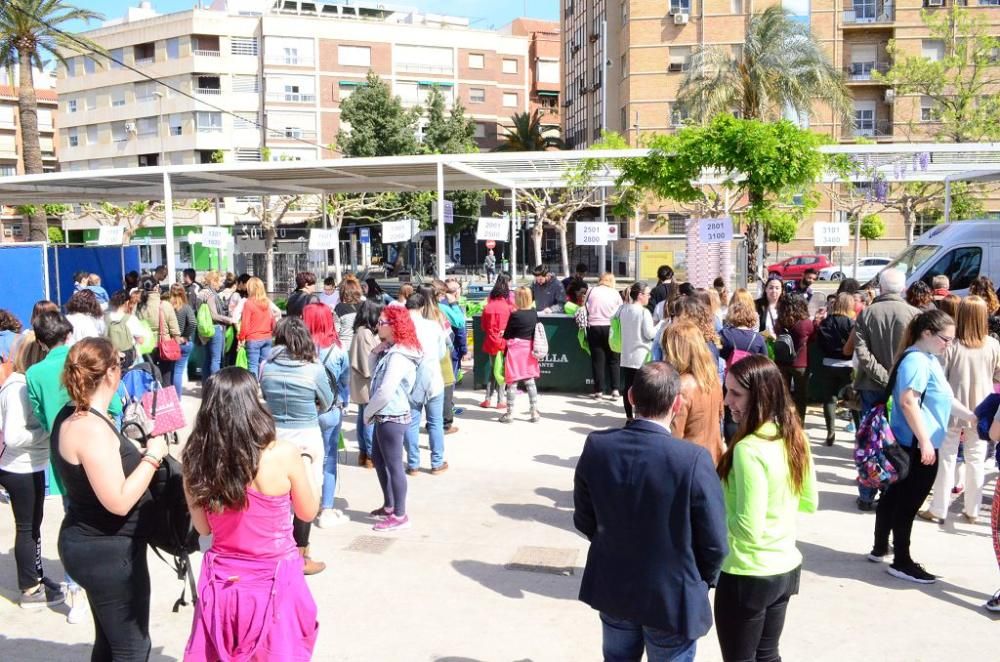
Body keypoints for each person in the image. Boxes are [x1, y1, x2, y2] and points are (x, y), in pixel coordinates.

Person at [574, 362, 727, 662]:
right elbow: (715, 542)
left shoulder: (598, 446)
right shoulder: (691, 459)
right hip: (671, 596)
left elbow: (584, 517)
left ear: (631, 397)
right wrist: (700, 579)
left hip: (615, 586)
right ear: (677, 403)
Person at [182, 368, 319, 660]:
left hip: (225, 584)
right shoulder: (283, 453)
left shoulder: (196, 459)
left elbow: (203, 529)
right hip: (275, 581)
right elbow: (307, 512)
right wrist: (307, 463)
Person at [52, 337, 168, 659]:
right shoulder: (91, 428)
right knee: (132, 647)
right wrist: (153, 457)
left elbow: (99, 470)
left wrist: (137, 455)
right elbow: (117, 500)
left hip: (92, 544)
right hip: (108, 553)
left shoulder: (73, 414)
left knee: (109, 641)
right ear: (111, 374)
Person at [716, 355, 817, 661]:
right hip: (784, 569)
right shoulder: (794, 435)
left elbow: (748, 528)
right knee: (768, 656)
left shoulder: (748, 450)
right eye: (727, 390)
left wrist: (712, 515)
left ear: (759, 395)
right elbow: (809, 501)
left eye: (735, 393)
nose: (726, 400)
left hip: (747, 573)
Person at [870, 309, 976, 583]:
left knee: (894, 497)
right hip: (916, 446)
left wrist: (971, 417)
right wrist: (927, 441)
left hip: (915, 443)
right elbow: (908, 401)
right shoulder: (917, 361)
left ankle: (881, 546)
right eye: (946, 338)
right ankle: (901, 560)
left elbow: (943, 399)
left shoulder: (925, 358)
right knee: (907, 504)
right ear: (927, 333)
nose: (949, 344)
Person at [259, 317, 334, 575]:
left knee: (275, 493)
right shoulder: (314, 368)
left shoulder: (265, 367)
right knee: (307, 494)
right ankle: (301, 554)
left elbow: (265, 397)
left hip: (275, 434)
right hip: (306, 435)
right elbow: (327, 401)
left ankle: (276, 550)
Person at [0, 333, 65, 608]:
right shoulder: (17, 388)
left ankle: (35, 576)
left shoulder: (26, 383)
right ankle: (29, 589)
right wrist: (47, 432)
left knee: (33, 527)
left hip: (31, 465)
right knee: (27, 528)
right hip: (19, 468)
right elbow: (14, 436)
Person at [922, 296, 1000, 525]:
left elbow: (940, 379)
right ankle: (972, 509)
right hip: (983, 408)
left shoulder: (951, 346)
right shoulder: (993, 345)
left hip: (952, 407)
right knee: (976, 459)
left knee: (946, 459)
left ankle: (938, 508)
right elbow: (997, 375)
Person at [853, 269, 919, 510]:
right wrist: (892, 378)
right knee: (898, 440)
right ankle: (891, 490)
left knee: (870, 440)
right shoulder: (914, 315)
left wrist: (883, 377)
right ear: (902, 288)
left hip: (872, 385)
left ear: (880, 287)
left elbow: (862, 354)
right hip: (902, 386)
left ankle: (867, 493)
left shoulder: (867, 314)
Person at [365, 306, 423, 532]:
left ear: (394, 326)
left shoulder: (399, 355)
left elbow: (386, 390)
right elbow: (374, 377)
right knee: (380, 461)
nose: (377, 326)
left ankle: (400, 514)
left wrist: (368, 412)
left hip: (392, 415)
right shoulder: (391, 350)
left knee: (394, 466)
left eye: (381, 323)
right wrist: (375, 352)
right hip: (385, 414)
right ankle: (389, 506)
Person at [303, 302, 351, 529]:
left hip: (304, 411)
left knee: (303, 458)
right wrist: (345, 401)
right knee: (329, 458)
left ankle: (305, 505)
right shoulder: (337, 350)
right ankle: (327, 508)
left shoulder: (298, 350)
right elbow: (344, 380)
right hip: (331, 408)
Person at [661, 321, 725, 464]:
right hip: (713, 458)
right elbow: (720, 417)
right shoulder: (712, 379)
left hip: (689, 462)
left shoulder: (681, 386)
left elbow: (675, 436)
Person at [403, 292, 448, 474]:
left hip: (410, 380)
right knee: (435, 422)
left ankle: (413, 464)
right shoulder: (434, 326)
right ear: (422, 307)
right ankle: (437, 462)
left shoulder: (402, 327)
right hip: (433, 378)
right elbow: (441, 353)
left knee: (411, 422)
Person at [816, 293, 858, 446]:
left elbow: (819, 344)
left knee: (829, 399)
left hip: (828, 364)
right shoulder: (850, 323)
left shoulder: (825, 322)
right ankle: (859, 433)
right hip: (847, 366)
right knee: (852, 400)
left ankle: (830, 432)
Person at [500, 287, 542, 424]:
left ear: (517, 299)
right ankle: (534, 412)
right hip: (529, 350)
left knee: (512, 382)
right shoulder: (534, 314)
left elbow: (507, 335)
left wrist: (503, 334)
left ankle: (510, 414)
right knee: (530, 381)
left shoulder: (515, 315)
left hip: (515, 351)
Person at [350, 300, 383, 468]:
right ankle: (370, 455)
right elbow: (367, 364)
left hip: (361, 383)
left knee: (363, 417)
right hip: (366, 383)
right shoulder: (365, 334)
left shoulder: (362, 331)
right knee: (369, 420)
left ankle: (364, 453)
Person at [617, 282, 655, 420]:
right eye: (648, 294)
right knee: (641, 388)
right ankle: (639, 417)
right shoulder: (644, 312)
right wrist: (660, 326)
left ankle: (629, 417)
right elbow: (650, 334)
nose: (649, 297)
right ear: (640, 295)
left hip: (626, 354)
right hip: (642, 355)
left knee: (628, 387)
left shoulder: (622, 309)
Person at [775, 292, 813, 421]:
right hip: (800, 364)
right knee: (800, 396)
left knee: (784, 395)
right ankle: (799, 423)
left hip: (782, 361)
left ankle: (784, 421)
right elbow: (814, 337)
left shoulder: (780, 321)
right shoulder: (805, 323)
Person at [137, 277, 181, 388]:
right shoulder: (165, 305)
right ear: (157, 287)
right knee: (166, 375)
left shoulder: (140, 306)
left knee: (149, 374)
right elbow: (174, 329)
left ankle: (151, 401)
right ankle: (165, 401)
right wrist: (177, 343)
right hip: (164, 344)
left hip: (146, 346)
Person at [586, 272, 624, 400]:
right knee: (614, 360)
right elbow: (620, 311)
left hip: (594, 327)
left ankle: (599, 391)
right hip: (610, 328)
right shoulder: (615, 293)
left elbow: (585, 306)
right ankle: (615, 390)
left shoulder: (591, 291)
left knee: (597, 361)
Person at [480, 276, 513, 410]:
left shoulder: (487, 307)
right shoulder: (508, 308)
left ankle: (487, 399)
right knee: (501, 371)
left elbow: (483, 326)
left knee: (493, 370)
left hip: (491, 342)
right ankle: (500, 400)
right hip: (504, 342)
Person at [196, 271, 234, 381]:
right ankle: (215, 386)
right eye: (219, 281)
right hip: (214, 328)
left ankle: (206, 386)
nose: (221, 284)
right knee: (216, 360)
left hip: (203, 330)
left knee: (207, 359)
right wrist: (229, 320)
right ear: (213, 281)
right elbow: (214, 315)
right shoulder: (210, 295)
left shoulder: (201, 293)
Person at [238, 277, 276, 379]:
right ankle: (264, 388)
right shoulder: (267, 302)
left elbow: (245, 324)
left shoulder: (248, 303)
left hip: (253, 339)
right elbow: (273, 320)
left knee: (252, 366)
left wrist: (241, 338)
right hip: (267, 338)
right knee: (264, 365)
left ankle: (253, 389)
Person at [719, 290, 767, 368]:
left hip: (730, 374)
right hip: (751, 372)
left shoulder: (724, 334)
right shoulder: (758, 338)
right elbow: (765, 363)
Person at [104, 290, 147, 371]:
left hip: (109, 356)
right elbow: (141, 340)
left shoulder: (104, 318)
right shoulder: (131, 319)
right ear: (127, 302)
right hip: (128, 358)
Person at [168, 284, 196, 397]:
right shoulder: (186, 308)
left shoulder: (167, 307)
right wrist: (185, 336)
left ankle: (171, 397)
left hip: (170, 343)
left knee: (171, 371)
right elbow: (193, 323)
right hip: (184, 343)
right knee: (178, 371)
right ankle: (177, 398)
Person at [335, 276, 363, 353]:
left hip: (346, 347)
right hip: (361, 346)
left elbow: (336, 331)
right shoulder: (364, 305)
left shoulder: (339, 307)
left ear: (343, 292)